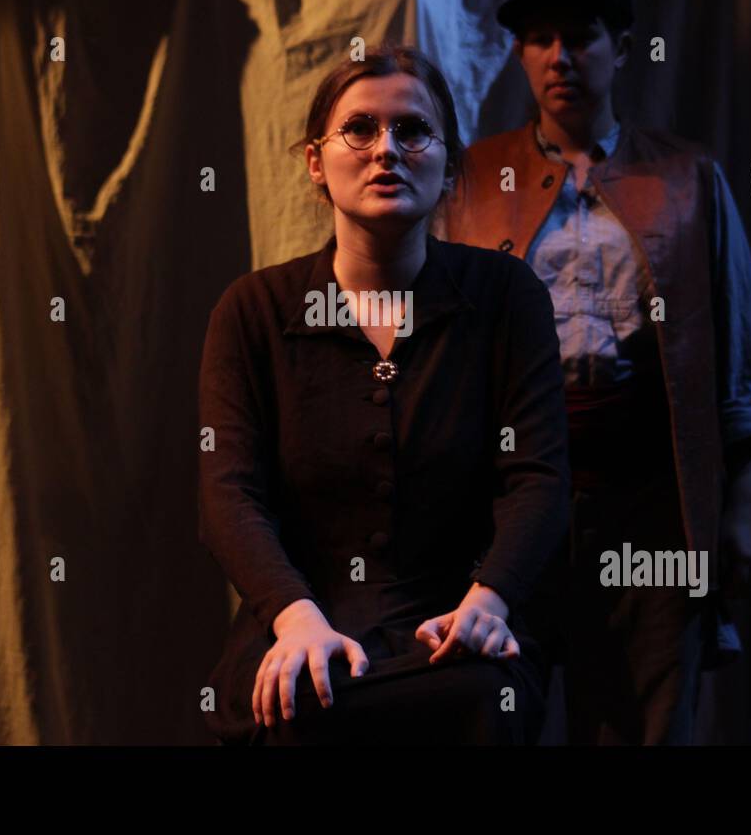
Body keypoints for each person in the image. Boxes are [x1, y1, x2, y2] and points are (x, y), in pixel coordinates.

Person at [435, 0, 751, 744]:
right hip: (509, 502)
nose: (561, 56)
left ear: (621, 48)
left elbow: (737, 352)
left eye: (581, 37)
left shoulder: (688, 177)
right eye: (539, 40)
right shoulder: (471, 180)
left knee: (647, 721)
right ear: (521, 56)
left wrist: (743, 510)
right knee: (489, 712)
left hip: (649, 500)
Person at [198, 44, 572, 744]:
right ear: (315, 161)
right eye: (360, 129)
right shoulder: (252, 309)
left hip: (457, 625)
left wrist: (489, 600)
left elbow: (539, 479)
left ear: (449, 163)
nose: (386, 151)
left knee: (485, 700)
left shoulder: (505, 296)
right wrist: (295, 617)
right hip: (304, 619)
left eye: (413, 130)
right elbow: (228, 496)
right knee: (288, 704)